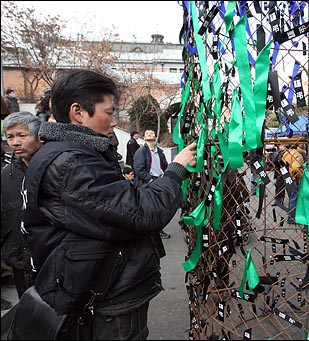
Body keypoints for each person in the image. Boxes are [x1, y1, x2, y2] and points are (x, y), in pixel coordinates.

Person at [20, 69, 197, 340]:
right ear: (78, 112)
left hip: (101, 287)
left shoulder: (70, 153)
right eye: (109, 112)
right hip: (106, 297)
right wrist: (175, 171)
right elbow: (142, 212)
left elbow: (117, 206)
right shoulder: (71, 163)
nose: (114, 121)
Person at [1, 112, 43, 298]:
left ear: (38, 136)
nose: (15, 142)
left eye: (22, 135)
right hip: (21, 263)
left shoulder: (55, 168)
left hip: (52, 261)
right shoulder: (5, 176)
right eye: (10, 137)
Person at [134, 129, 170, 238]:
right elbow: (138, 169)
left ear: (155, 137)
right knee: (149, 209)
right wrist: (150, 180)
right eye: (147, 133)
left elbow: (165, 166)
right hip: (147, 183)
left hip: (159, 181)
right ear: (144, 138)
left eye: (152, 133)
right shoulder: (141, 152)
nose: (149, 134)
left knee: (159, 208)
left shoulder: (159, 151)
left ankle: (158, 230)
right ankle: (151, 232)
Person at [279, 144, 305, 224]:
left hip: (287, 177)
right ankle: (291, 218)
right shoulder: (296, 154)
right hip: (294, 178)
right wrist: (299, 175)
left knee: (291, 198)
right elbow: (296, 167)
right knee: (294, 198)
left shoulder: (286, 154)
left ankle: (292, 217)